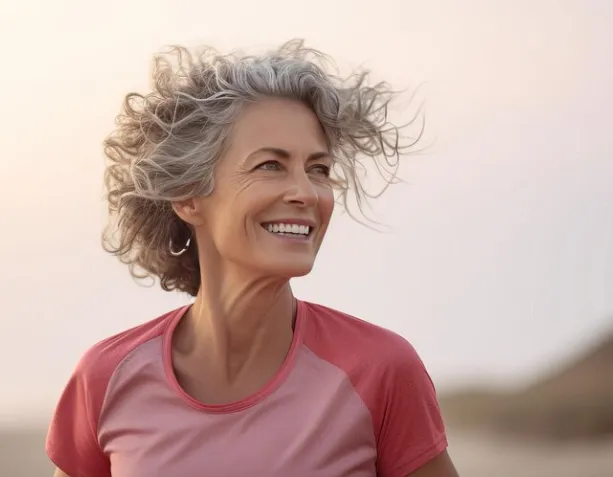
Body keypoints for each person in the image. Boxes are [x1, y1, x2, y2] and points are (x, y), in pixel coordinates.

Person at [46, 40, 459, 477]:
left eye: (318, 169)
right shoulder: (105, 377)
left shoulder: (380, 369)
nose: (306, 193)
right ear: (188, 196)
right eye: (270, 166)